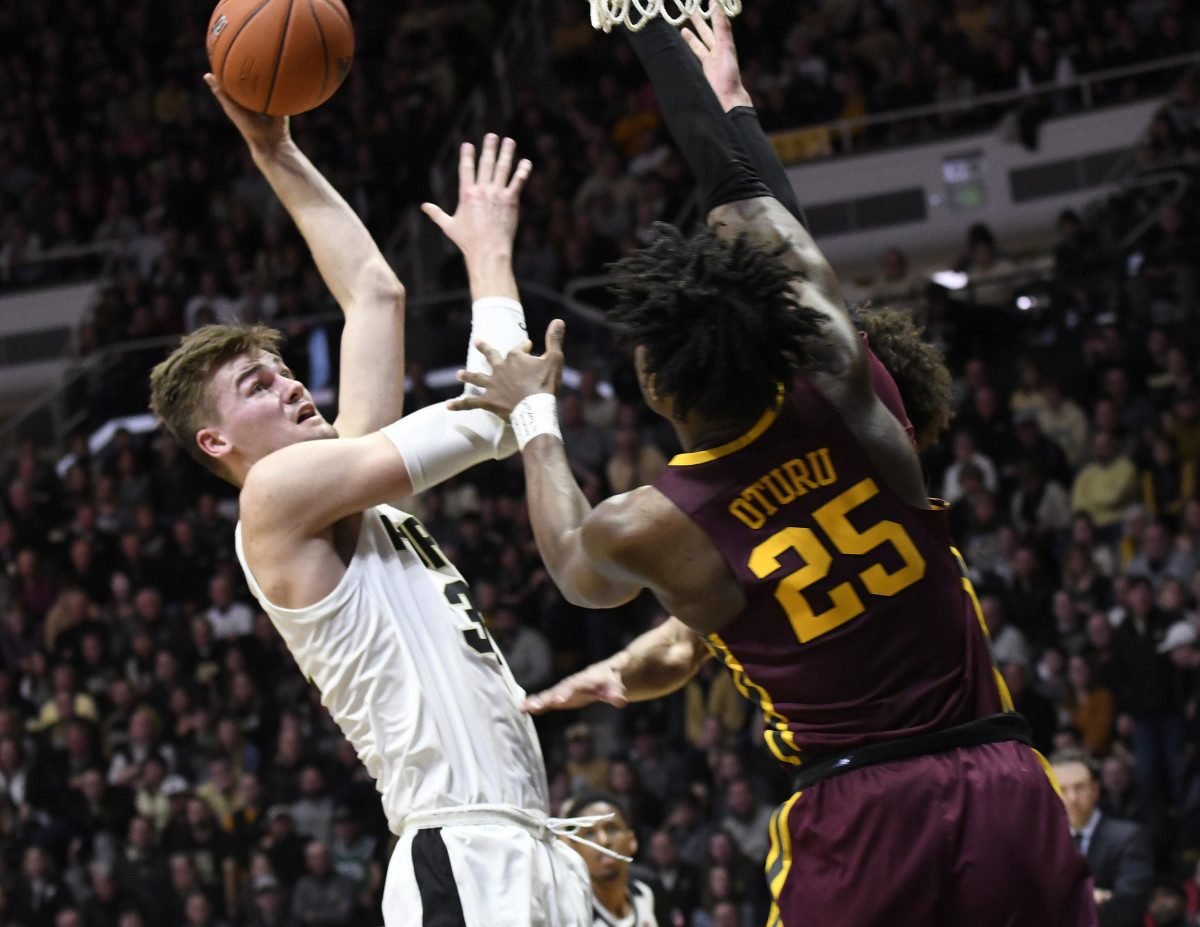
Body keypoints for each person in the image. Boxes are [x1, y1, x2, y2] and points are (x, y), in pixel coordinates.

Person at [453, 9, 1095, 926]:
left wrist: (533, 410)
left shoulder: (657, 522)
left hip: (864, 811)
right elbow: (761, 209)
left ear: (660, 388)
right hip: (1001, 776)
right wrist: (713, 89)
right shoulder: (851, 393)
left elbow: (567, 556)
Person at [147, 77, 590, 927]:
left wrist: (275, 152)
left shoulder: (352, 488)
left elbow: (376, 294)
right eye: (256, 385)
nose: (288, 385)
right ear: (216, 443)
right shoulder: (273, 498)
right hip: (461, 852)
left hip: (524, 839)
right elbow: (494, 417)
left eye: (282, 368)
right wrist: (490, 259)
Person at [1050, 751, 1154, 927]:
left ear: (1096, 790)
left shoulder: (1129, 836)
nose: (1072, 798)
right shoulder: (1044, 842)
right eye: (1062, 789)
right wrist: (1092, 897)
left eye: (1080, 787)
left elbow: (1129, 905)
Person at [559, 791, 659, 927]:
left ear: (632, 841)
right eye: (589, 833)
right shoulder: (568, 913)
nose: (603, 841)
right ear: (573, 849)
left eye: (611, 829)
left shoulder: (645, 894)